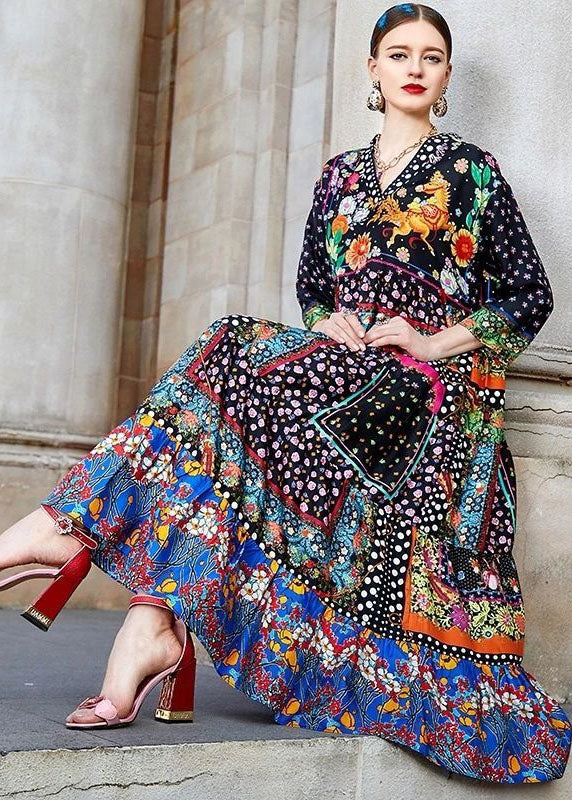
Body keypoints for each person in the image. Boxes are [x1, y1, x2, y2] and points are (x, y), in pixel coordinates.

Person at [1, 1, 570, 783]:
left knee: (230, 346)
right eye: (398, 53)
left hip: (428, 400)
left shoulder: (472, 172)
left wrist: (433, 341)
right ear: (372, 68)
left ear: (444, 77)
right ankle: (149, 619)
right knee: (225, 384)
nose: (413, 67)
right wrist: (326, 321)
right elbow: (313, 287)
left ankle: (65, 535)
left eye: (431, 56)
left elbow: (529, 297)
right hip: (345, 376)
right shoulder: (339, 175)